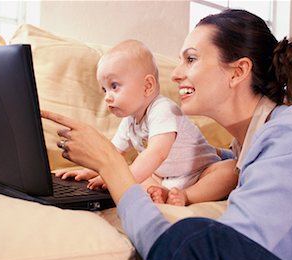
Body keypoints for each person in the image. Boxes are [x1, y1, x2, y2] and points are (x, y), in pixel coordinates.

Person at [42, 9, 292, 260]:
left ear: (238, 72)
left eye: (191, 59)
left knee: (201, 239)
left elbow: (214, 259)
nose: (177, 74)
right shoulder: (253, 143)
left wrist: (111, 166)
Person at [56, 39, 238, 205]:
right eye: (104, 90)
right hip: (164, 178)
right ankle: (164, 193)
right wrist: (94, 170)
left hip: (200, 173)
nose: (107, 97)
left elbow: (157, 153)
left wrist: (118, 179)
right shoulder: (129, 120)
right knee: (137, 174)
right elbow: (112, 155)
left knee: (230, 171)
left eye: (114, 86)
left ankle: (188, 196)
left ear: (147, 86)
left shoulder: (163, 109)